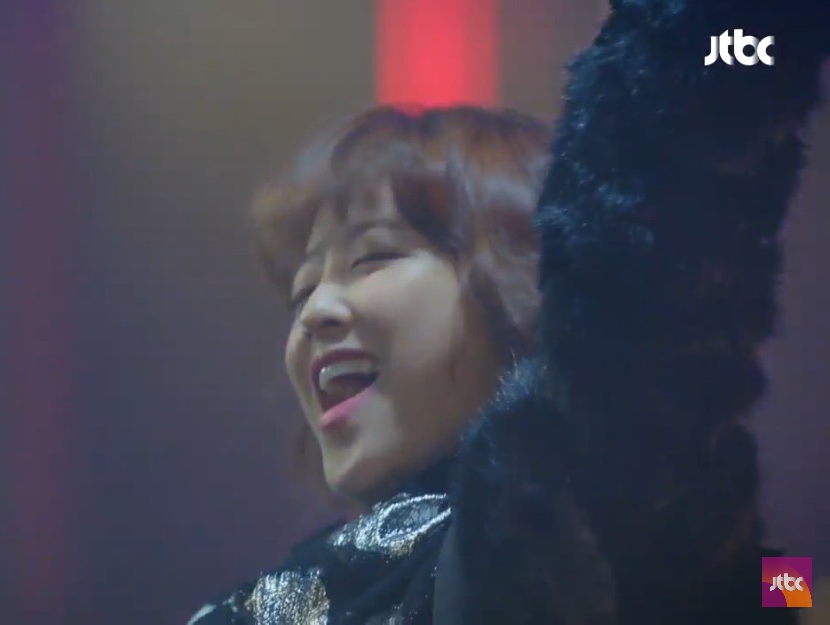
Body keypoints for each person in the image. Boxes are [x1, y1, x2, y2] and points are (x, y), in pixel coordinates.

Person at [185, 0, 828, 623]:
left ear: (531, 287)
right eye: (301, 292)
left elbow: (651, 198)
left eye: (373, 258)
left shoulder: (536, 543)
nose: (315, 312)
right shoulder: (295, 594)